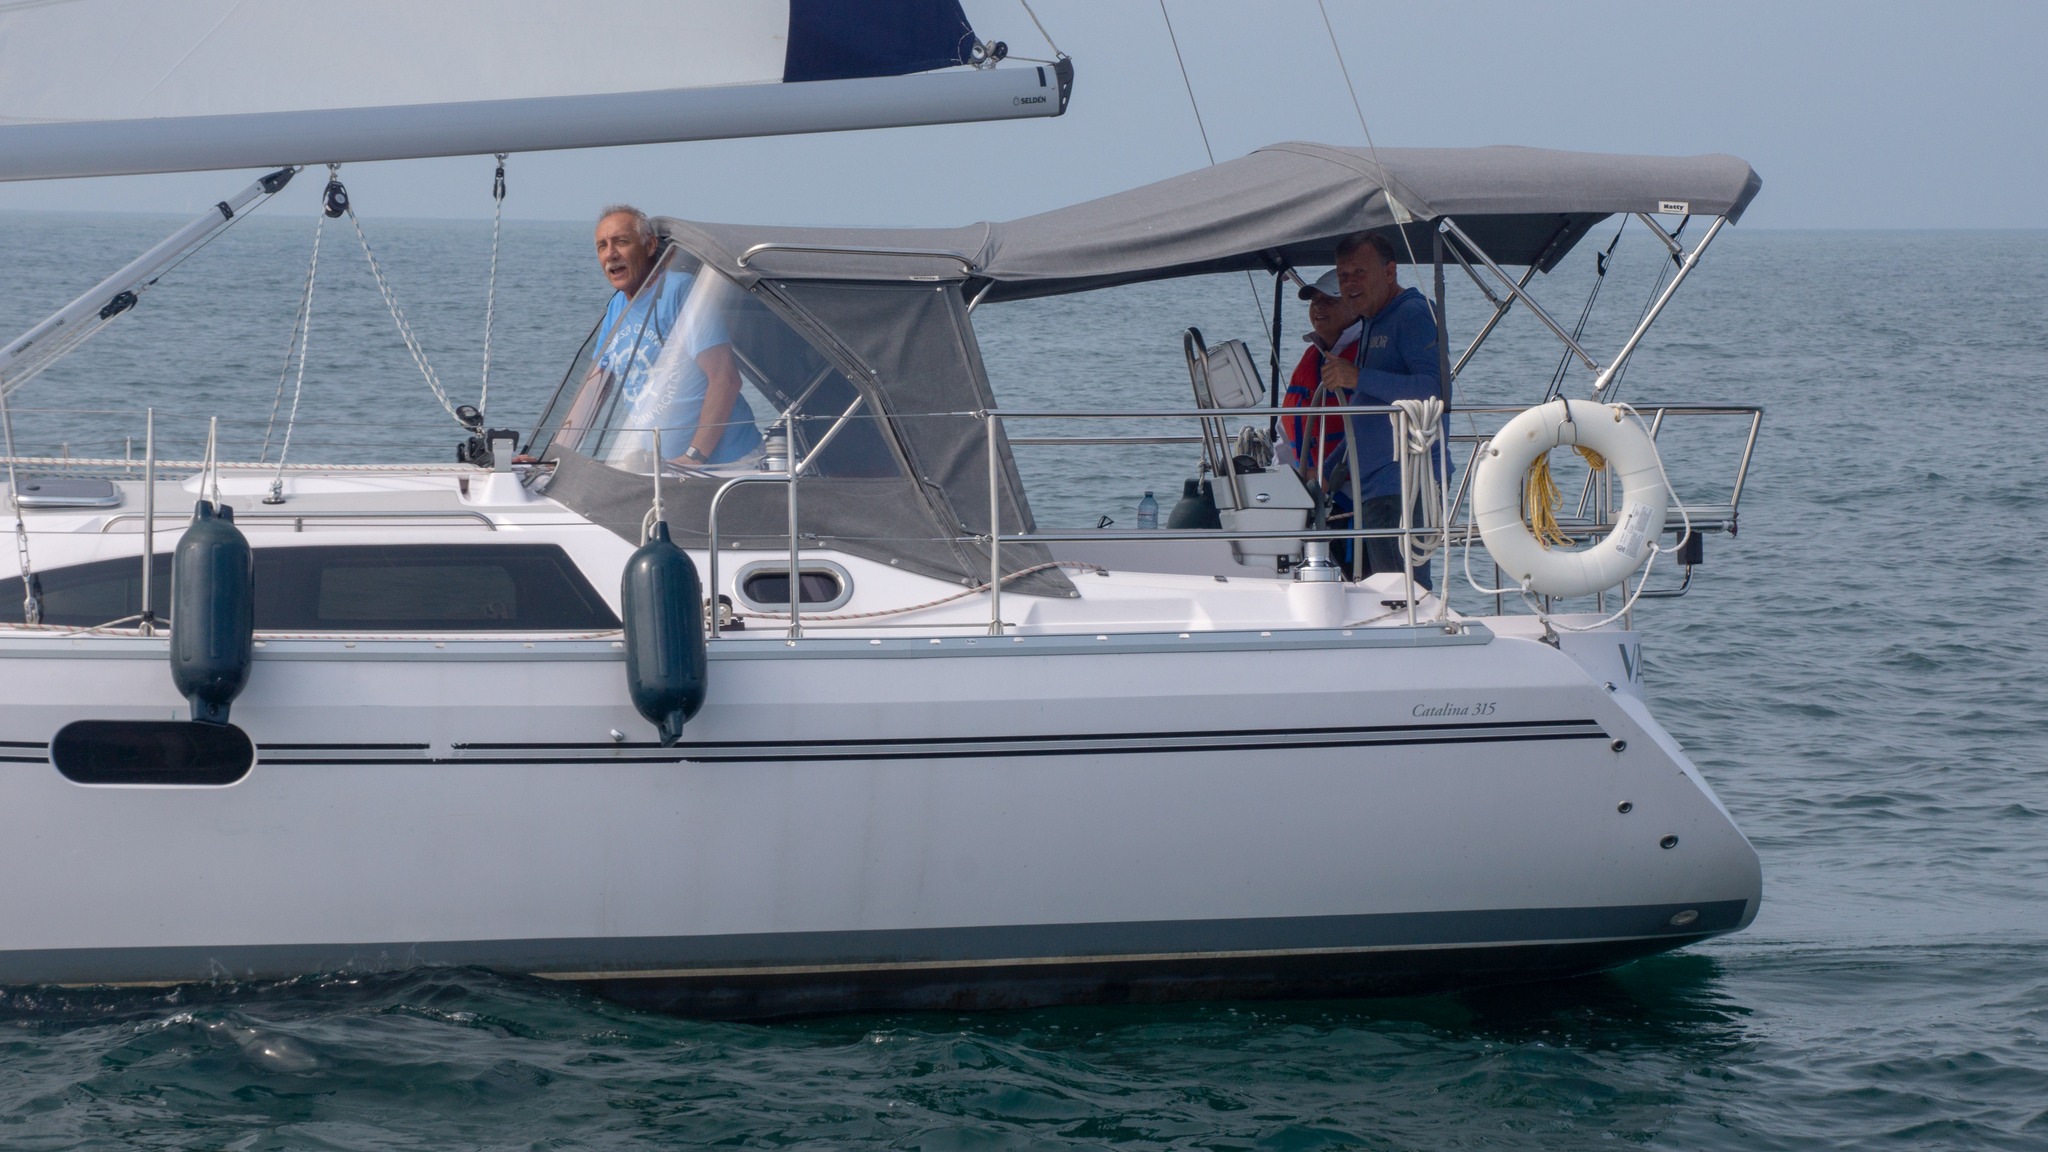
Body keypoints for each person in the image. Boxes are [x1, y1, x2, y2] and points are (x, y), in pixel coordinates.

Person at [576, 205, 762, 468]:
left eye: (622, 242)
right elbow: (594, 387)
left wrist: (694, 457)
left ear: (650, 246)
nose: (611, 254)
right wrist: (554, 454)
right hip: (666, 465)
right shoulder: (617, 307)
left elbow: (726, 379)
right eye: (602, 246)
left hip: (722, 465)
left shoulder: (678, 290)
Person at [1315, 231, 1448, 586]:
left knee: (1398, 594)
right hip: (1376, 486)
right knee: (1384, 593)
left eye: (1360, 272)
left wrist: (1358, 376)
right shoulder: (1373, 321)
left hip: (1403, 482)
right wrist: (1325, 473)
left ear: (1390, 272)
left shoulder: (1413, 314)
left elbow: (1433, 391)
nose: (1350, 284)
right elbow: (1368, 411)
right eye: (1343, 276)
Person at [1279, 269, 1359, 500]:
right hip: (1306, 493)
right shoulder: (1310, 358)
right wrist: (1279, 478)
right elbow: (1285, 433)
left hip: (1355, 494)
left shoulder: (1368, 354)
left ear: (1355, 306)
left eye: (1330, 300)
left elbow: (1376, 430)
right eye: (1315, 301)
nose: (1319, 307)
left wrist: (1326, 474)